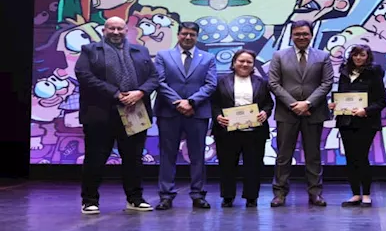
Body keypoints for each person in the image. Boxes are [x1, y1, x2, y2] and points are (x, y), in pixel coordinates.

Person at [74, 16, 158, 214]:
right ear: (104, 30)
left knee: (133, 159)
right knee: (95, 158)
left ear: (126, 31)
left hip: (134, 111)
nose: (116, 32)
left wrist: (140, 92)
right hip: (100, 114)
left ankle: (135, 199)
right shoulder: (90, 50)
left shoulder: (141, 51)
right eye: (111, 28)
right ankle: (90, 200)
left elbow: (154, 77)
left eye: (120, 29)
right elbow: (84, 76)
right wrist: (116, 94)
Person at [268, 20, 334, 207]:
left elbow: (327, 83)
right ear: (291, 35)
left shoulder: (323, 56)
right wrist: (293, 104)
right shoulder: (279, 55)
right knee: (283, 155)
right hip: (286, 112)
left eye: (305, 33)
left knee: (313, 155)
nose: (301, 37)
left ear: (311, 35)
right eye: (297, 34)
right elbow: (273, 83)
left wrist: (308, 103)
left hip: (313, 112)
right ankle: (279, 193)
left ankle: (315, 193)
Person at [153, 21, 217, 210]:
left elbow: (211, 84)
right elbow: (159, 82)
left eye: (192, 34)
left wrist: (191, 102)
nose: (188, 37)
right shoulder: (163, 55)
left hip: (197, 112)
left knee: (198, 156)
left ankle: (198, 194)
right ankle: (166, 195)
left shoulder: (208, 58)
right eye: (184, 34)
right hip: (169, 112)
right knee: (167, 155)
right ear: (178, 34)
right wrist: (178, 102)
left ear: (197, 37)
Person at [211, 49, 274, 207]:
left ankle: (251, 197)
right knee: (227, 165)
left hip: (254, 132)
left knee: (253, 166)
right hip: (227, 131)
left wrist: (265, 113)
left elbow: (268, 103)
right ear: (234, 63)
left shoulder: (262, 82)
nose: (245, 64)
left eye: (249, 62)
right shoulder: (220, 81)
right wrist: (218, 116)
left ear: (253, 65)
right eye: (241, 61)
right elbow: (214, 103)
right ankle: (227, 196)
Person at [329, 44, 386, 207]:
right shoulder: (344, 72)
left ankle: (366, 194)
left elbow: (381, 100)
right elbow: (342, 95)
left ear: (368, 56)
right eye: (355, 55)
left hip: (366, 122)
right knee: (350, 158)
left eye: (362, 55)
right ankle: (355, 194)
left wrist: (366, 110)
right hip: (346, 121)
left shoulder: (374, 73)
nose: (358, 58)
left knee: (362, 157)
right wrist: (334, 105)